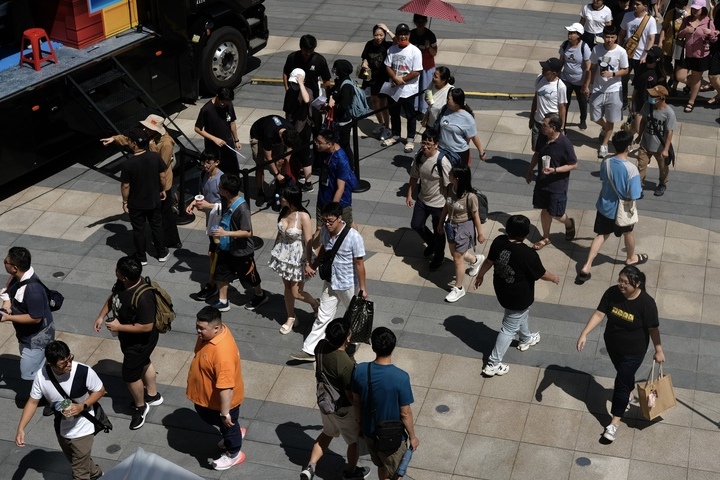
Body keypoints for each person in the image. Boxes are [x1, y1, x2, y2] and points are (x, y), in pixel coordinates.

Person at [577, 265, 665, 442]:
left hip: (634, 352)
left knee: (621, 383)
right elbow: (599, 314)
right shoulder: (612, 293)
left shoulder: (646, 303)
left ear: (637, 284)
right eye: (620, 281)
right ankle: (628, 394)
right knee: (624, 377)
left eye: (625, 282)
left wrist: (658, 349)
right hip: (613, 345)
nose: (621, 285)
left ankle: (614, 423)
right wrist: (584, 333)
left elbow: (653, 329)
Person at [472, 215, 560, 376]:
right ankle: (493, 363)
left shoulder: (499, 241)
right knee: (508, 328)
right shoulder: (527, 253)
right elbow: (541, 273)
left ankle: (526, 339)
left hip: (502, 289)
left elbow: (489, 261)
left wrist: (480, 275)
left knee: (520, 315)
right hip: (519, 296)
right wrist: (554, 278)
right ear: (525, 234)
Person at [15, 341, 105, 480]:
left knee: (79, 474)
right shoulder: (42, 376)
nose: (69, 364)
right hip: (61, 426)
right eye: (63, 363)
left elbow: (100, 390)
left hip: (83, 427)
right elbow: (33, 402)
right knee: (75, 460)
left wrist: (82, 406)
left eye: (70, 359)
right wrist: (21, 428)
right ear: (51, 365)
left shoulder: (84, 371)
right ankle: (96, 473)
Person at [93, 256, 163, 430]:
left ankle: (141, 407)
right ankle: (153, 396)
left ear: (125, 277)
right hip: (133, 340)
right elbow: (112, 298)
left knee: (130, 376)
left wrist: (120, 326)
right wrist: (101, 316)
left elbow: (147, 326)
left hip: (140, 342)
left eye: (117, 270)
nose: (115, 272)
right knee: (144, 362)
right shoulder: (122, 284)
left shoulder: (144, 297)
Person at [291, 203, 367, 362]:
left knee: (352, 313)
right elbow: (325, 249)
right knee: (324, 315)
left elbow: (359, 263)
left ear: (340, 218)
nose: (327, 224)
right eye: (325, 220)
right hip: (331, 280)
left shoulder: (354, 237)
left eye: (330, 221)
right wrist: (314, 264)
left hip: (347, 283)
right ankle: (310, 349)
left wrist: (363, 288)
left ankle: (354, 341)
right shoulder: (325, 231)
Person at [300, 319, 369, 480]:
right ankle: (350, 472)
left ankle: (310, 467)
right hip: (342, 409)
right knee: (354, 442)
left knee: (327, 433)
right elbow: (351, 396)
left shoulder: (320, 346)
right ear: (347, 338)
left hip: (326, 402)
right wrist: (359, 419)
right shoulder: (346, 364)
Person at [576, 131, 647, 284]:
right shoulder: (631, 169)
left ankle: (587, 266)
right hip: (622, 211)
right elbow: (634, 194)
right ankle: (630, 258)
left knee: (601, 235)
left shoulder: (606, 161)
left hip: (604, 207)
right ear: (628, 147)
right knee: (628, 233)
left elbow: (603, 178)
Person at [102, 114, 181, 249]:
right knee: (157, 214)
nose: (145, 130)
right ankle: (160, 239)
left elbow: (162, 165)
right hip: (151, 181)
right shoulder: (148, 137)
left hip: (161, 183)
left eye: (148, 128)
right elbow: (130, 139)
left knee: (165, 213)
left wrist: (151, 150)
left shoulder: (166, 143)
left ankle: (171, 240)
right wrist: (114, 139)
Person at [351, 327, 419, 480]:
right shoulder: (400, 377)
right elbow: (405, 412)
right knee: (396, 474)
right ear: (393, 347)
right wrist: (413, 437)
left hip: (369, 431)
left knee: (382, 466)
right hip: (391, 437)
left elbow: (356, 401)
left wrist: (359, 424)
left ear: (373, 347)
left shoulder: (360, 370)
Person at [187, 306, 247, 471]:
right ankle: (233, 431)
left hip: (220, 403)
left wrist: (224, 412)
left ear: (216, 328)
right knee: (223, 423)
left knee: (227, 425)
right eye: (197, 326)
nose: (198, 331)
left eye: (202, 328)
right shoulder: (211, 335)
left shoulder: (223, 354)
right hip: (208, 398)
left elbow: (226, 387)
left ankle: (233, 453)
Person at [211, 174, 268, 312]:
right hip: (226, 246)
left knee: (250, 275)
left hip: (242, 250)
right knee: (222, 272)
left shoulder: (242, 208)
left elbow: (248, 232)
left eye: (220, 187)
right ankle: (223, 300)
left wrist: (225, 233)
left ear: (226, 191)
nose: (218, 188)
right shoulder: (226, 200)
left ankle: (259, 294)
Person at [268, 185, 320, 334]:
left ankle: (315, 303)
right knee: (287, 288)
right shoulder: (284, 211)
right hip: (283, 254)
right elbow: (279, 234)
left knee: (296, 292)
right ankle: (291, 317)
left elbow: (308, 241)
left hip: (298, 257)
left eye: (283, 196)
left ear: (291, 199)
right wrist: (274, 251)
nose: (280, 198)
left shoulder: (303, 216)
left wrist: (309, 263)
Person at [0, 247, 55, 383]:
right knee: (40, 367)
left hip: (36, 339)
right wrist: (6, 307)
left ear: (15, 268)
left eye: (5, 262)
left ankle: (48, 393)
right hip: (26, 336)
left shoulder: (33, 291)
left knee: (29, 374)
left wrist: (9, 317)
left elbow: (36, 318)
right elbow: (8, 294)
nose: (4, 263)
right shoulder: (17, 277)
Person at [524, 113, 578, 251]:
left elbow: (573, 164)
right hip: (542, 182)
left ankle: (569, 223)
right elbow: (537, 154)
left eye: (545, 125)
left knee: (556, 214)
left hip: (557, 185)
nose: (542, 127)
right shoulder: (543, 138)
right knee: (545, 210)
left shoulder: (565, 144)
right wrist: (530, 170)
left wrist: (555, 170)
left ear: (553, 128)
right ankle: (546, 237)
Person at [120, 127, 170, 265]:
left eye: (129, 140)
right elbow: (162, 175)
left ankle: (141, 257)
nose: (128, 142)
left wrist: (125, 201)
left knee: (138, 229)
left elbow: (125, 185)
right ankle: (161, 253)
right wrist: (163, 189)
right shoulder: (155, 157)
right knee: (156, 225)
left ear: (134, 143)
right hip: (154, 199)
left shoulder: (127, 164)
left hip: (136, 203)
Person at [437, 164, 486, 303]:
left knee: (457, 258)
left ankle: (458, 288)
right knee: (455, 254)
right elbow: (446, 207)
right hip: (450, 225)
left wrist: (480, 233)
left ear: (457, 178)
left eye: (451, 174)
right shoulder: (449, 189)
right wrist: (441, 223)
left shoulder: (470, 197)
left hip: (464, 227)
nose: (448, 175)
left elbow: (476, 216)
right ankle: (475, 260)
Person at [406, 129, 452, 271]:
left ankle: (439, 256)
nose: (425, 147)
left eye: (429, 144)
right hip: (422, 199)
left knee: (438, 231)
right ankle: (431, 243)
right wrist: (409, 194)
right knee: (416, 224)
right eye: (423, 143)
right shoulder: (419, 156)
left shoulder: (442, 162)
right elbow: (414, 176)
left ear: (436, 144)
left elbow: (450, 186)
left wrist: (448, 207)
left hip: (439, 203)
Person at [583, 25, 629, 159]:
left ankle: (604, 144)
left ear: (616, 38)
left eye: (612, 37)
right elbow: (592, 68)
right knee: (594, 116)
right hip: (598, 88)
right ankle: (605, 128)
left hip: (614, 89)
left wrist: (613, 73)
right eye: (607, 37)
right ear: (603, 37)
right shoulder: (597, 49)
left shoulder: (621, 52)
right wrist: (587, 85)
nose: (609, 40)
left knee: (611, 119)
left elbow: (625, 69)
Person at [186, 149, 224, 301]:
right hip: (211, 220)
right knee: (214, 253)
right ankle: (214, 281)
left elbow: (228, 204)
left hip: (221, 222)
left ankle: (212, 284)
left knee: (216, 253)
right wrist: (194, 202)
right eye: (204, 162)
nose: (205, 165)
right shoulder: (204, 175)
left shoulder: (223, 179)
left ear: (217, 162)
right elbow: (203, 195)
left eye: (209, 162)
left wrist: (208, 206)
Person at [381, 23, 422, 153]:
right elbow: (387, 66)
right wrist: (395, 78)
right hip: (394, 88)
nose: (403, 36)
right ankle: (396, 135)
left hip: (409, 90)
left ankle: (410, 139)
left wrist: (401, 80)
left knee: (410, 115)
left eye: (405, 34)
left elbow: (416, 71)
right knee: (394, 113)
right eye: (400, 34)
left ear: (409, 35)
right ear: (397, 36)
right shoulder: (392, 50)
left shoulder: (415, 51)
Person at [249, 115, 302, 208]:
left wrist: (286, 162)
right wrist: (277, 175)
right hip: (258, 136)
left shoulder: (290, 130)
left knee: (279, 162)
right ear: (282, 139)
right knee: (260, 165)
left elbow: (289, 149)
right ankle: (260, 192)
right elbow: (268, 158)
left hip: (275, 135)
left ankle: (278, 189)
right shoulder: (269, 135)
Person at [676, 0, 717, 112]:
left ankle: (691, 101)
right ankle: (692, 85)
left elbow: (714, 39)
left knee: (696, 78)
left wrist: (710, 33)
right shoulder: (687, 20)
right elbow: (679, 34)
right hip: (687, 53)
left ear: (702, 9)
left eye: (697, 9)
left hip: (701, 55)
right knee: (680, 76)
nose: (694, 10)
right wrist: (686, 31)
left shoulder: (708, 21)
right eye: (693, 8)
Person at [635, 85, 676, 196]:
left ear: (661, 98)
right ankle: (639, 184)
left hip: (660, 147)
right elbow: (643, 121)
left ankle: (662, 183)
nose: (650, 97)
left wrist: (666, 149)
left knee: (663, 168)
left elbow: (669, 132)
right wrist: (639, 136)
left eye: (653, 96)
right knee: (641, 164)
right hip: (645, 144)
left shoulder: (669, 113)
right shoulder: (647, 105)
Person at [194, 87, 242, 175]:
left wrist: (236, 140)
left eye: (227, 103)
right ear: (217, 97)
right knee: (217, 172)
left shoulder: (229, 105)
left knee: (233, 170)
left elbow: (232, 123)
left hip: (228, 144)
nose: (224, 105)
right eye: (222, 103)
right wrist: (214, 139)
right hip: (213, 148)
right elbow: (197, 129)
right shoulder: (206, 109)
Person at [619, 0, 658, 109]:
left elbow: (651, 39)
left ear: (645, 6)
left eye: (638, 4)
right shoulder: (627, 16)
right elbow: (622, 34)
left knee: (640, 81)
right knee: (623, 79)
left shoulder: (650, 20)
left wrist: (646, 55)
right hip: (627, 54)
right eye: (634, 4)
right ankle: (624, 101)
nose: (635, 6)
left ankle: (637, 101)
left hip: (641, 56)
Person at [315, 129, 356, 229]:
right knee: (320, 228)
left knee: (348, 227)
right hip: (323, 198)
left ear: (329, 144)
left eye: (319, 143)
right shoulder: (324, 151)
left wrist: (333, 210)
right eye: (316, 141)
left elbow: (340, 188)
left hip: (340, 203)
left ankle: (357, 242)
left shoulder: (341, 159)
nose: (316, 145)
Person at [283, 34, 332, 115]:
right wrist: (287, 89)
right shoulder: (292, 57)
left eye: (311, 50)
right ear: (300, 47)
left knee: (314, 120)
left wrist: (327, 98)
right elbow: (285, 73)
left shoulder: (320, 60)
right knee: (290, 119)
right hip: (294, 97)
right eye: (306, 50)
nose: (308, 53)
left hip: (313, 97)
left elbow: (326, 80)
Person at [284, 68, 316, 193]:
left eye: (296, 83)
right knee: (297, 153)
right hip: (292, 126)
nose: (294, 85)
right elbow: (287, 110)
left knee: (304, 153)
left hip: (303, 127)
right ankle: (301, 172)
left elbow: (307, 100)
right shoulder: (290, 92)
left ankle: (309, 183)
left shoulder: (306, 91)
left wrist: (301, 83)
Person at [436, 88, 487, 164]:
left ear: (456, 103)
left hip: (458, 153)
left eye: (448, 99)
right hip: (442, 150)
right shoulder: (444, 109)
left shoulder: (467, 118)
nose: (446, 101)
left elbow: (474, 136)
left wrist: (481, 152)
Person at [360, 24, 394, 139]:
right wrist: (365, 63)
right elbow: (365, 57)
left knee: (383, 103)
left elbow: (398, 41)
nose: (378, 37)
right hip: (371, 77)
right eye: (376, 35)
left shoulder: (388, 45)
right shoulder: (369, 44)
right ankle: (380, 123)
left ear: (384, 35)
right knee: (374, 101)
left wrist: (388, 30)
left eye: (381, 35)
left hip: (383, 78)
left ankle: (387, 128)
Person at [559, 23, 592, 130]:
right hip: (566, 79)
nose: (569, 35)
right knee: (564, 103)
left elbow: (588, 68)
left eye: (572, 33)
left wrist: (586, 85)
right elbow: (561, 61)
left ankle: (583, 119)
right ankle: (562, 123)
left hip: (580, 81)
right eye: (569, 33)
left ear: (578, 35)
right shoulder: (564, 45)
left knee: (582, 102)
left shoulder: (584, 47)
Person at [530, 58, 568, 151]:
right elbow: (536, 98)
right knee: (535, 149)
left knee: (549, 150)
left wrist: (562, 128)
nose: (543, 70)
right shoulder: (539, 78)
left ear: (554, 73)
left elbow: (562, 108)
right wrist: (531, 117)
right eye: (543, 68)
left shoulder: (561, 86)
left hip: (550, 126)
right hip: (538, 121)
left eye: (546, 69)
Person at [328, 59, 358, 160]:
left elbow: (344, 105)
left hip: (343, 122)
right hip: (337, 120)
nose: (334, 71)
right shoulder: (339, 81)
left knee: (344, 145)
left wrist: (333, 104)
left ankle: (351, 166)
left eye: (336, 69)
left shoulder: (346, 85)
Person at [659, 0, 690, 92]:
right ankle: (672, 76)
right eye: (677, 4)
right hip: (669, 42)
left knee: (678, 65)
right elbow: (664, 28)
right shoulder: (671, 13)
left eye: (681, 5)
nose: (678, 7)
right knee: (665, 63)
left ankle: (674, 86)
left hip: (682, 44)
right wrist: (660, 41)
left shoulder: (689, 14)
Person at [409, 14, 438, 115]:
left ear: (426, 22)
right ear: (415, 22)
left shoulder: (430, 35)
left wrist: (428, 47)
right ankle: (415, 107)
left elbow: (434, 53)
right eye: (418, 21)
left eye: (422, 21)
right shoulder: (411, 34)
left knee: (427, 89)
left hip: (427, 67)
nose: (420, 23)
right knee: (414, 88)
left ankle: (426, 109)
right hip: (414, 67)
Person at [421, 66, 454, 130]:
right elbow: (427, 94)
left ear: (444, 80)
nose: (433, 78)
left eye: (436, 77)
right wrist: (427, 99)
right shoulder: (432, 84)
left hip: (442, 126)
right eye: (433, 75)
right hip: (430, 123)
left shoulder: (451, 91)